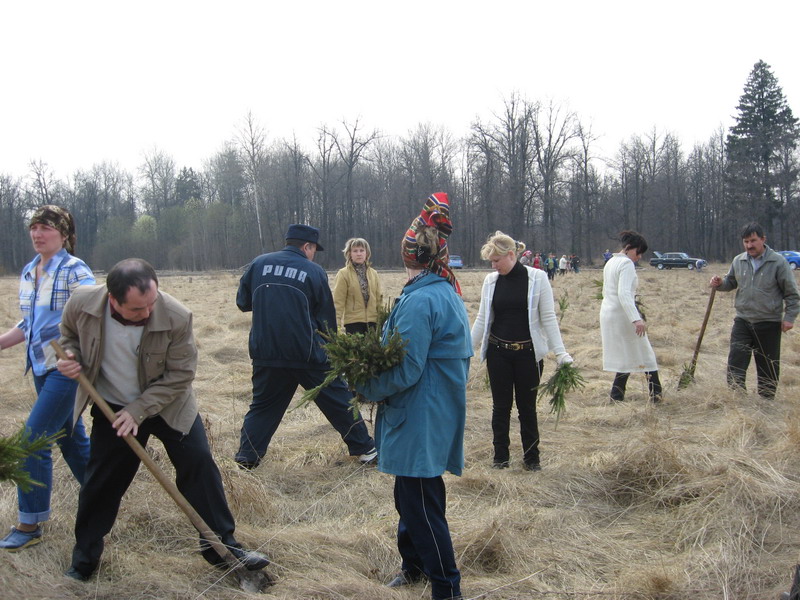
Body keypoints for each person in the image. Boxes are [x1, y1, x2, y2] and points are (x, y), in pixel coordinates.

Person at [56, 259, 269, 581]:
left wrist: (139, 410)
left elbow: (181, 374)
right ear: (113, 300)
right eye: (138, 309)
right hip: (113, 408)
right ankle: (84, 558)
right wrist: (71, 357)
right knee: (101, 482)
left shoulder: (176, 315)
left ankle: (224, 548)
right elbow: (68, 335)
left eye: (151, 303)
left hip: (169, 405)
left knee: (199, 465)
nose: (147, 313)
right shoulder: (82, 303)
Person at [356, 192, 469, 600]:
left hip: (421, 414)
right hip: (430, 412)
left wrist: (365, 388)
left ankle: (446, 586)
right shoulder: (440, 289)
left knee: (420, 503)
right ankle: (414, 566)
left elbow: (407, 367)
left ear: (411, 255)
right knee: (411, 496)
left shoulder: (421, 300)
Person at [234, 224, 377, 469]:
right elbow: (325, 318)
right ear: (307, 246)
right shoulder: (313, 271)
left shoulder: (258, 264)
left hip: (266, 352)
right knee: (338, 400)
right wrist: (332, 349)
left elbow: (243, 302)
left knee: (263, 406)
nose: (313, 254)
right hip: (307, 353)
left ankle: (246, 458)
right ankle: (366, 450)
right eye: (313, 249)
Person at [0, 206, 94, 552]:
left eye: (46, 229)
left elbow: (95, 316)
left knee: (32, 442)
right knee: (71, 439)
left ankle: (29, 523)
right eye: (34, 228)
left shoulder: (75, 271)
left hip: (66, 370)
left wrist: (79, 357)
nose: (38, 234)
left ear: (64, 234)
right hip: (40, 367)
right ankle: (102, 494)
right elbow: (29, 324)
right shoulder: (29, 271)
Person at [471, 232, 573, 471]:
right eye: (491, 262)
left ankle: (531, 459)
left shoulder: (537, 278)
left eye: (497, 260)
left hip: (528, 355)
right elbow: (482, 318)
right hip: (498, 353)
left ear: (511, 255)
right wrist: (465, 351)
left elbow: (548, 318)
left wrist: (561, 353)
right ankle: (500, 458)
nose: (493, 266)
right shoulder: (491, 281)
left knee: (527, 407)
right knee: (500, 406)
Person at [710, 222, 799, 399]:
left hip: (769, 322)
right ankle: (737, 397)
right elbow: (731, 282)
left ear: (763, 239)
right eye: (746, 242)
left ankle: (766, 400)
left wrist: (789, 318)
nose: (749, 245)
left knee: (767, 364)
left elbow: (792, 295)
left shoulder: (778, 262)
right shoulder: (738, 260)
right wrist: (720, 284)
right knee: (736, 360)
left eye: (753, 241)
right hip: (743, 320)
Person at [600, 231, 662, 403]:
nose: (639, 257)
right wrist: (636, 319)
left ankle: (616, 395)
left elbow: (606, 292)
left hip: (609, 313)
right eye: (638, 252)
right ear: (628, 248)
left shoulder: (611, 262)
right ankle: (656, 394)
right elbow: (624, 294)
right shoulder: (626, 264)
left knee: (625, 354)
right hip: (623, 315)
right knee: (646, 354)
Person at [332, 237, 383, 334]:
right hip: (353, 324)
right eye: (355, 251)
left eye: (361, 250)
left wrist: (382, 320)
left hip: (373, 323)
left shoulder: (374, 274)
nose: (359, 253)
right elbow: (338, 302)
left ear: (367, 253)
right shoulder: (343, 274)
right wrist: (336, 326)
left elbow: (379, 300)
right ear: (349, 254)